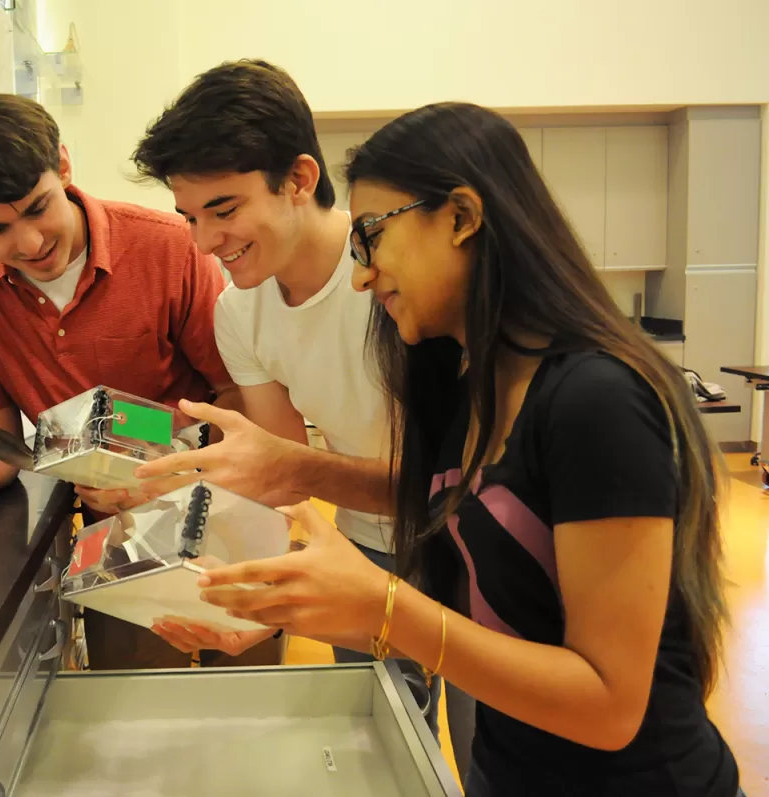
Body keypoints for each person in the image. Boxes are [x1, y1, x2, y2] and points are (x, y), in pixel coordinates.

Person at [187, 102, 743, 797]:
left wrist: (385, 605)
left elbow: (610, 706)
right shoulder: (463, 378)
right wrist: (288, 598)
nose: (361, 276)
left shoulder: (595, 399)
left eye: (371, 238)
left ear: (460, 216)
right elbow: (458, 556)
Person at [130, 59, 465, 749]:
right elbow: (285, 473)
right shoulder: (237, 310)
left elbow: (302, 467)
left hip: (467, 536)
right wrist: (256, 595)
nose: (205, 240)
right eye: (190, 217)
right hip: (366, 540)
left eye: (224, 209)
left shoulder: (392, 269)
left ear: (300, 178)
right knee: (389, 739)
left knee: (481, 736)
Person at [0, 93, 282, 671]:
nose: (30, 245)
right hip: (113, 539)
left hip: (224, 514)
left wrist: (174, 467)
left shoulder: (169, 247)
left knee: (244, 699)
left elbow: (244, 400)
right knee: (131, 706)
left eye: (38, 208)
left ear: (63, 166)